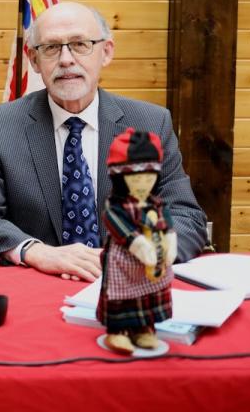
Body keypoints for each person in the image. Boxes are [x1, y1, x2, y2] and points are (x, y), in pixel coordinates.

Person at [0, 1, 207, 281]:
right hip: (38, 284)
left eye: (79, 44)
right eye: (51, 47)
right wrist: (37, 252)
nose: (66, 59)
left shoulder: (150, 124)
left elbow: (186, 217)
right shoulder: (2, 125)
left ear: (106, 52)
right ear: (34, 60)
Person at [97, 129, 175, 354]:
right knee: (121, 299)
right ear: (121, 177)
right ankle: (118, 332)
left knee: (147, 298)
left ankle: (143, 329)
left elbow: (168, 223)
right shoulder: (115, 206)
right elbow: (116, 224)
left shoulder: (156, 204)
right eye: (136, 178)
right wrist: (137, 243)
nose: (143, 184)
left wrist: (170, 242)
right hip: (123, 261)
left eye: (149, 178)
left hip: (152, 263)